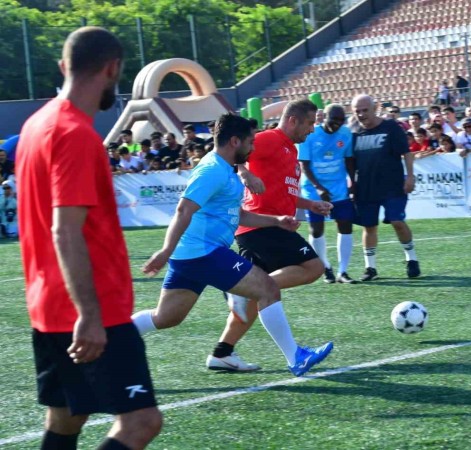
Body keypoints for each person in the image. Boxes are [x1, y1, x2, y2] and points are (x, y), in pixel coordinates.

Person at [15, 26, 162, 450]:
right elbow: (65, 229)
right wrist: (89, 314)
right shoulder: (75, 134)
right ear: (113, 69)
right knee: (141, 423)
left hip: (48, 304)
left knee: (67, 418)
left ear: (64, 66)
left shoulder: (36, 124)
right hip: (90, 307)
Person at [131, 112, 334, 377]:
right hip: (203, 252)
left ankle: (111, 336)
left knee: (166, 317)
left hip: (191, 256)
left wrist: (276, 221)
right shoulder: (212, 170)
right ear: (235, 141)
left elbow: (238, 215)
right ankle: (296, 357)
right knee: (267, 288)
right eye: (250, 142)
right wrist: (165, 250)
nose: (252, 149)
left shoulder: (225, 169)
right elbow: (183, 210)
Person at [350, 94, 420, 281]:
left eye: (365, 110)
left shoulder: (391, 127)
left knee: (397, 221)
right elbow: (350, 161)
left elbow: (406, 153)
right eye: (357, 111)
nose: (361, 114)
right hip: (365, 187)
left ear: (375, 108)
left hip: (392, 185)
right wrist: (351, 183)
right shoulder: (353, 132)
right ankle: (370, 268)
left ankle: (412, 259)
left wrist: (410, 176)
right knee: (369, 226)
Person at [298, 104, 357, 284]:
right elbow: (304, 165)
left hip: (339, 188)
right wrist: (318, 187)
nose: (337, 124)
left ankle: (343, 271)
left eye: (341, 120)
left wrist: (353, 182)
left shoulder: (346, 134)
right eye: (334, 120)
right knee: (317, 230)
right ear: (323, 117)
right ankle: (325, 267)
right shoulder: (310, 134)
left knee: (345, 225)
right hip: (314, 190)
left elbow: (349, 159)